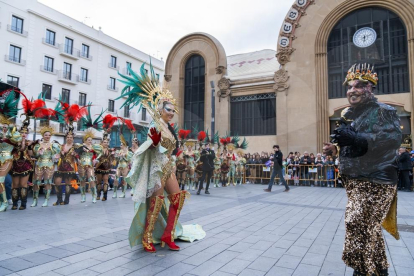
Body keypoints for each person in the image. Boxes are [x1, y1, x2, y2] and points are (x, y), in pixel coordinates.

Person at [324, 64, 401, 276]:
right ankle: (379, 270)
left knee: (356, 221)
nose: (351, 91)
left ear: (370, 88)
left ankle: (361, 270)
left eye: (358, 86)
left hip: (378, 179)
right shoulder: (347, 113)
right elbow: (346, 141)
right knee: (370, 227)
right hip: (353, 179)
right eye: (349, 87)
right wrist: (335, 148)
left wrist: (357, 138)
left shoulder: (384, 111)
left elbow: (393, 139)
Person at [119, 63, 205, 253]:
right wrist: (155, 142)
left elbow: (170, 150)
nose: (172, 113)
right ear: (160, 109)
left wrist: (174, 158)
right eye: (168, 110)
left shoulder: (169, 128)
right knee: (156, 204)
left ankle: (168, 234)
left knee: (177, 200)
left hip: (169, 168)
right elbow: (151, 145)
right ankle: (147, 236)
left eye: (173, 110)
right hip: (156, 170)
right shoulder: (155, 125)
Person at [32, 126, 61, 207]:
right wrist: (39, 152)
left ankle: (46, 200)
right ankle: (35, 200)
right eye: (46, 135)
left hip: (49, 165)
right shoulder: (38, 145)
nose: (47, 136)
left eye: (49, 135)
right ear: (43, 136)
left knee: (47, 182)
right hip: (39, 164)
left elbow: (56, 155)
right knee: (36, 182)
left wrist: (53, 154)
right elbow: (36, 155)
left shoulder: (53, 145)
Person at [10, 120, 34, 210]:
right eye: (22, 132)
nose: (24, 134)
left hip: (25, 165)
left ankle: (23, 204)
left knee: (23, 184)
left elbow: (31, 154)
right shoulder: (15, 142)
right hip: (15, 164)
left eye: (25, 132)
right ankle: (15, 203)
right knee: (15, 185)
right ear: (19, 133)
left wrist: (30, 146)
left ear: (27, 133)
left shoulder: (29, 142)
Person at [76, 129, 102, 203]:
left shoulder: (94, 147)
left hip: (90, 165)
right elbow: (76, 154)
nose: (90, 141)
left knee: (91, 180)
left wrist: (96, 159)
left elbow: (100, 152)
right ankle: (83, 196)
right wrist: (78, 159)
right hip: (82, 165)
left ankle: (94, 195)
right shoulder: (80, 146)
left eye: (91, 140)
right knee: (82, 180)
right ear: (85, 140)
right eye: (88, 140)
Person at [95, 132, 115, 201]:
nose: (106, 143)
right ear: (102, 143)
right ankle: (98, 194)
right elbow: (95, 156)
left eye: (107, 142)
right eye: (104, 142)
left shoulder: (110, 151)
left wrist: (112, 156)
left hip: (106, 167)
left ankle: (105, 195)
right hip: (99, 167)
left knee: (106, 180)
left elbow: (112, 160)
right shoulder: (99, 149)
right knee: (99, 181)